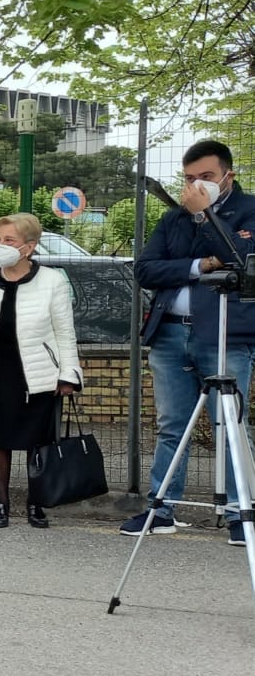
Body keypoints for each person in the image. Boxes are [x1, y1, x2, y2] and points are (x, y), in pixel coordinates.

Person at [125, 140, 255, 545]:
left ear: (228, 176)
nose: (196, 186)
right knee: (171, 426)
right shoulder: (172, 218)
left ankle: (240, 512)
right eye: (189, 179)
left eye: (207, 177)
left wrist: (205, 219)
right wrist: (200, 266)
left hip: (224, 333)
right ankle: (161, 508)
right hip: (169, 332)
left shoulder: (248, 211)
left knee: (229, 423)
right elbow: (146, 269)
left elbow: (240, 260)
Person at [0, 214, 80, 529]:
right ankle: (1, 502)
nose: (1, 246)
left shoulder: (52, 280)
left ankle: (35, 503)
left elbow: (64, 333)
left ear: (29, 247)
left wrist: (68, 374)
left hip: (38, 376)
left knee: (38, 441)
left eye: (9, 240)